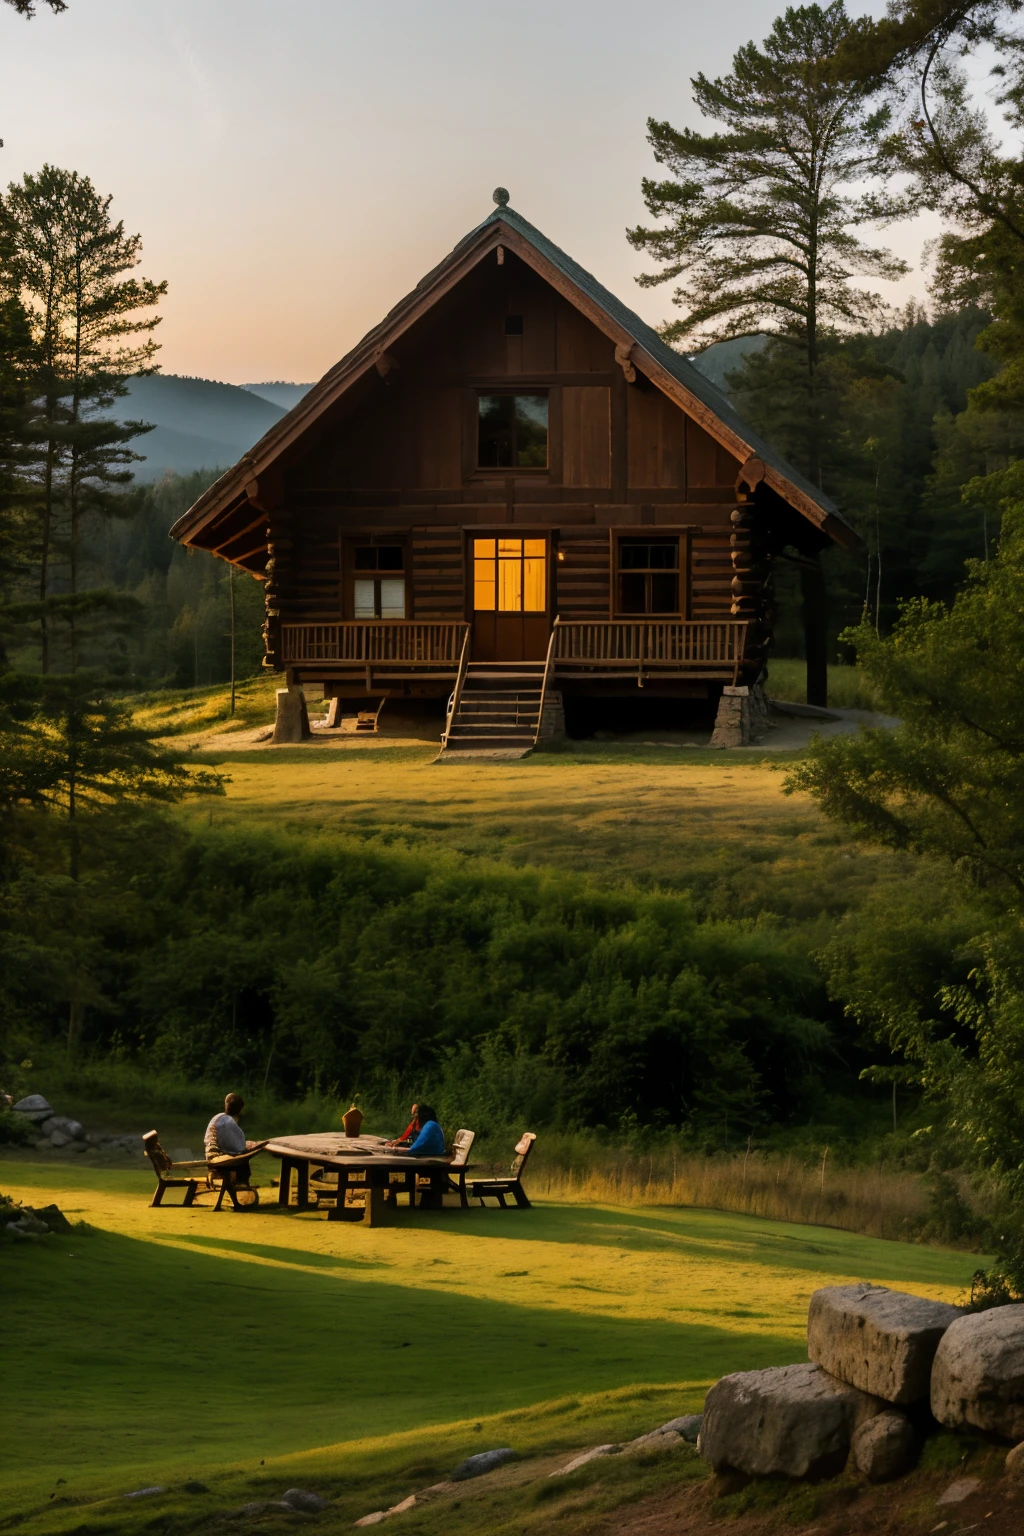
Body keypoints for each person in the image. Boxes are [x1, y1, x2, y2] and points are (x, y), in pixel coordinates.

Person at [204, 1092, 257, 1162]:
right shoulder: (228, 1121)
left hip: (209, 1153)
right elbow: (234, 1146)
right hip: (216, 1156)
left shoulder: (219, 1117)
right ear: (238, 1110)